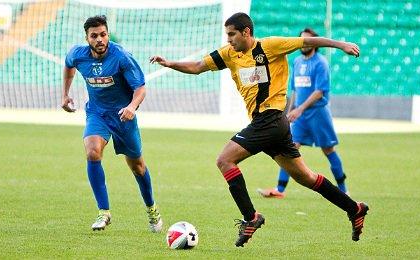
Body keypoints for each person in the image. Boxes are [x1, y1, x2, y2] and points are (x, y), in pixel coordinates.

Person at [150, 13, 368, 247]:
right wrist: (171, 63)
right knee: (306, 177)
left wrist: (341, 45)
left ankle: (251, 217)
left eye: (232, 34)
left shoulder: (270, 46)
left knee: (225, 160)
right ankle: (354, 208)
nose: (229, 39)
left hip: (271, 118)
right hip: (272, 124)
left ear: (246, 32)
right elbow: (198, 66)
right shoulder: (229, 54)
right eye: (227, 35)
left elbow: (308, 42)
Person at [62, 15, 163, 232]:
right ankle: (103, 213)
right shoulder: (77, 55)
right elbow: (68, 65)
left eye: (103, 34)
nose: (99, 39)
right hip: (98, 114)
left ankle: (152, 209)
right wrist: (65, 94)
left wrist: (131, 107)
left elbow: (140, 88)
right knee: (92, 152)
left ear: (108, 35)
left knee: (137, 166)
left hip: (123, 116)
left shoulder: (122, 57)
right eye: (94, 36)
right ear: (87, 38)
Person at [257, 28, 349, 199]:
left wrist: (300, 109)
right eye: (301, 39)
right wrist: (290, 110)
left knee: (328, 149)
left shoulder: (321, 62)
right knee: (289, 148)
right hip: (300, 116)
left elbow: (320, 91)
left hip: (318, 113)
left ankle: (344, 190)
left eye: (307, 40)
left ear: (314, 43)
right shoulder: (297, 61)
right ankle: (280, 190)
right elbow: (295, 90)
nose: (304, 43)